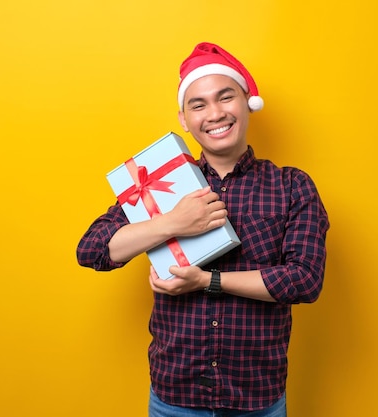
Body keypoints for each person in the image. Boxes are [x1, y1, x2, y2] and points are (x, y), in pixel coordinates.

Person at [77, 42, 329, 417]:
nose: (215, 113)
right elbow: (93, 251)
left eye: (225, 98)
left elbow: (304, 280)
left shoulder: (291, 186)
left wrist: (206, 281)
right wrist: (172, 223)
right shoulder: (161, 184)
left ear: (246, 102)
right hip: (174, 397)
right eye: (199, 104)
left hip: (256, 397)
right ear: (184, 119)